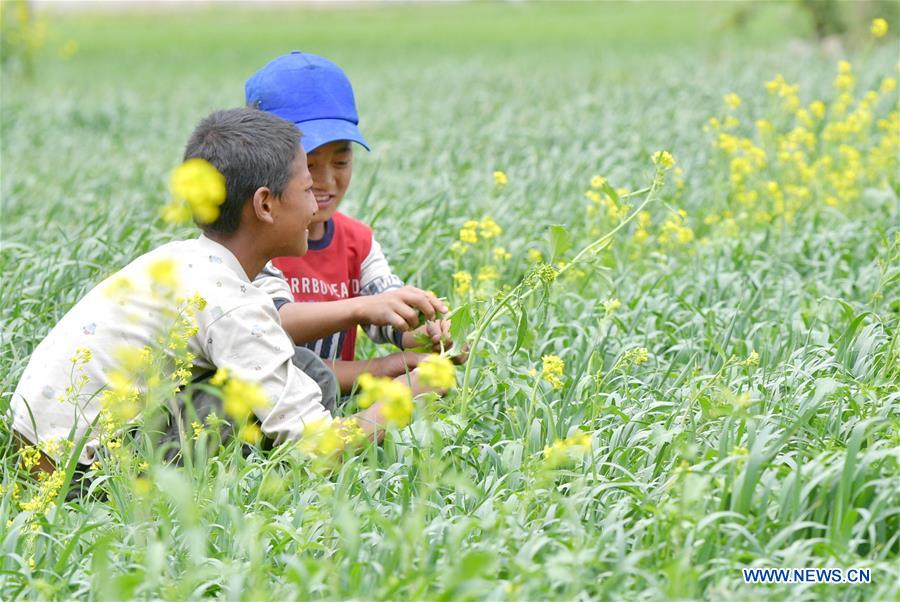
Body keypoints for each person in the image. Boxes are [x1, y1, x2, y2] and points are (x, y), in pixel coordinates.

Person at [10, 107, 394, 471]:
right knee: (237, 406)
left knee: (304, 368)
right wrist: (403, 398)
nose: (315, 206)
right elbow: (321, 446)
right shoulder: (231, 304)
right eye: (307, 189)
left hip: (39, 443)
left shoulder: (184, 258)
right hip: (81, 471)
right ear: (264, 205)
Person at [246, 52, 464, 395]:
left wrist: (430, 332)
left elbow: (389, 309)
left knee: (429, 383)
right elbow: (273, 323)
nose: (326, 181)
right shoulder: (249, 239)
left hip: (332, 401)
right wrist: (374, 358)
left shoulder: (356, 241)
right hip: (264, 402)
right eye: (309, 165)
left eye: (341, 162)